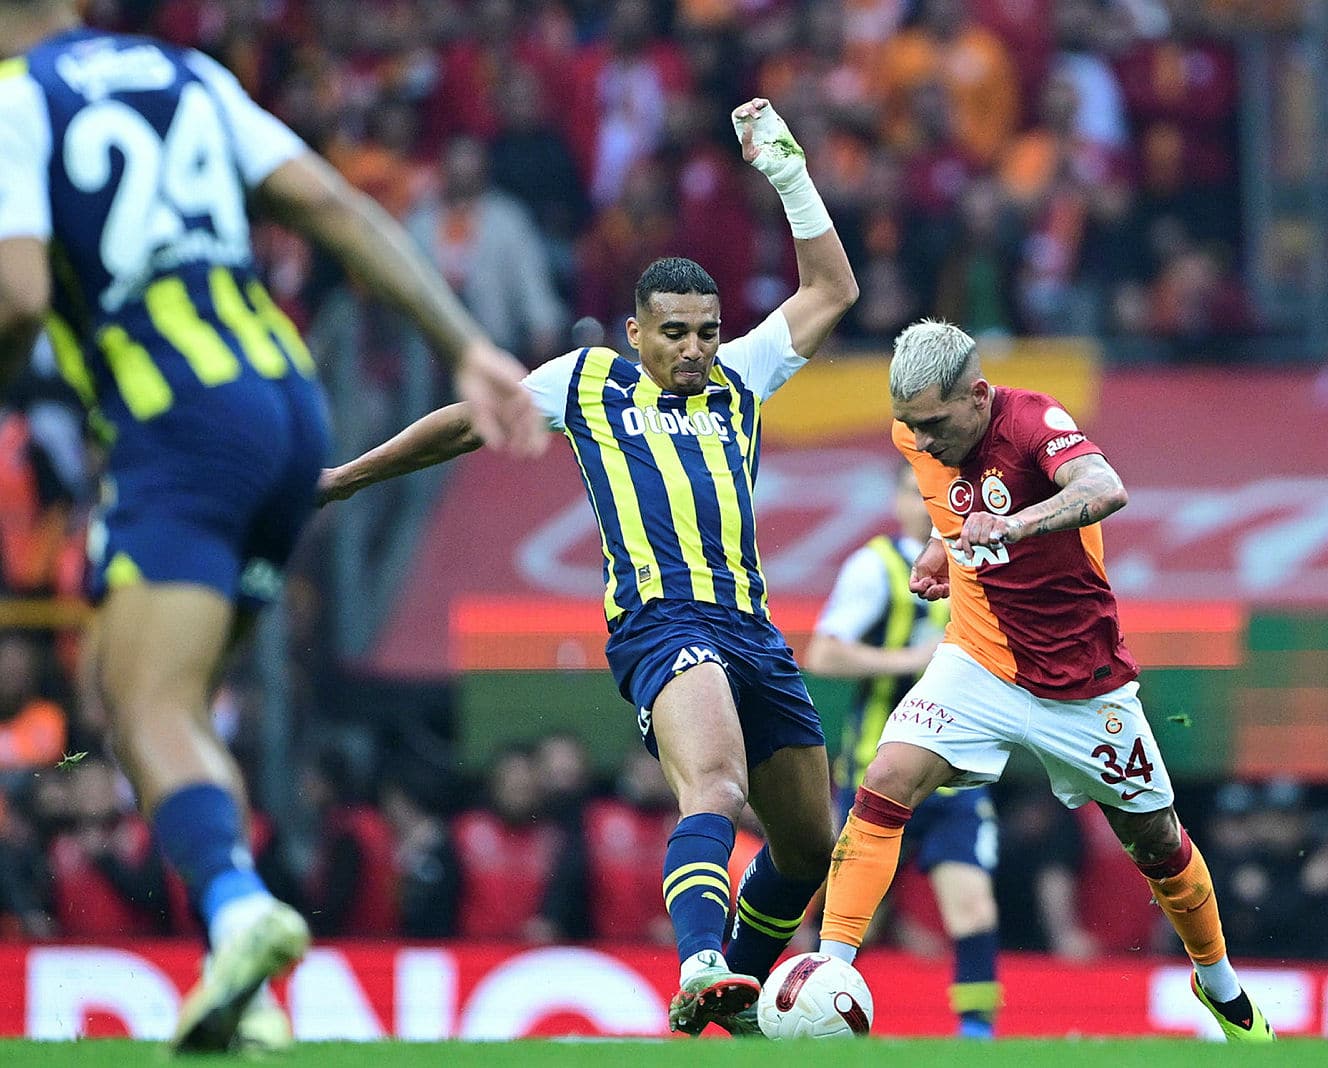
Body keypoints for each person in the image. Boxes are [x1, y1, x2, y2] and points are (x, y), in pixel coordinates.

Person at [0, 1, 545, 1053]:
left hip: (178, 422)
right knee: (173, 705)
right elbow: (332, 203)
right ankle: (241, 980)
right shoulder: (188, 76)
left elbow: (19, 297)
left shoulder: (19, 103)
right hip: (290, 408)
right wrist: (464, 342)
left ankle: (242, 911)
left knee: (142, 705)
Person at [319, 97, 858, 1036]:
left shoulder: (742, 376)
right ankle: (700, 960)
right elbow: (466, 425)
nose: (694, 349)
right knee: (716, 787)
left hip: (753, 628)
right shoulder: (587, 380)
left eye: (706, 330)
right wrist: (347, 477)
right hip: (661, 621)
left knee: (812, 847)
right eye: (675, 332)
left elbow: (832, 291)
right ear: (636, 332)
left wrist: (788, 173)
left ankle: (730, 992)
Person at [817, 319, 1274, 1043]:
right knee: (887, 777)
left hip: (1082, 684)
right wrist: (940, 545)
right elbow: (950, 495)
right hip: (977, 661)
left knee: (1155, 838)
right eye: (910, 425)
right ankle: (830, 970)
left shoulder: (1032, 420)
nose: (922, 441)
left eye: (935, 424)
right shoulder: (919, 433)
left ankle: (1219, 984)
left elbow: (1105, 487)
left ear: (977, 395)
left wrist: (1016, 526)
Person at [804, 463, 1003, 1038]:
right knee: (851, 918)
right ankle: (809, 1011)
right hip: (879, 772)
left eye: (933, 493)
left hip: (955, 775)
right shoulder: (877, 566)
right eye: (913, 493)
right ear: (895, 500)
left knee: (973, 907)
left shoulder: (982, 562)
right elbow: (822, 654)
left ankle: (977, 1035)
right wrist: (911, 661)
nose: (923, 504)